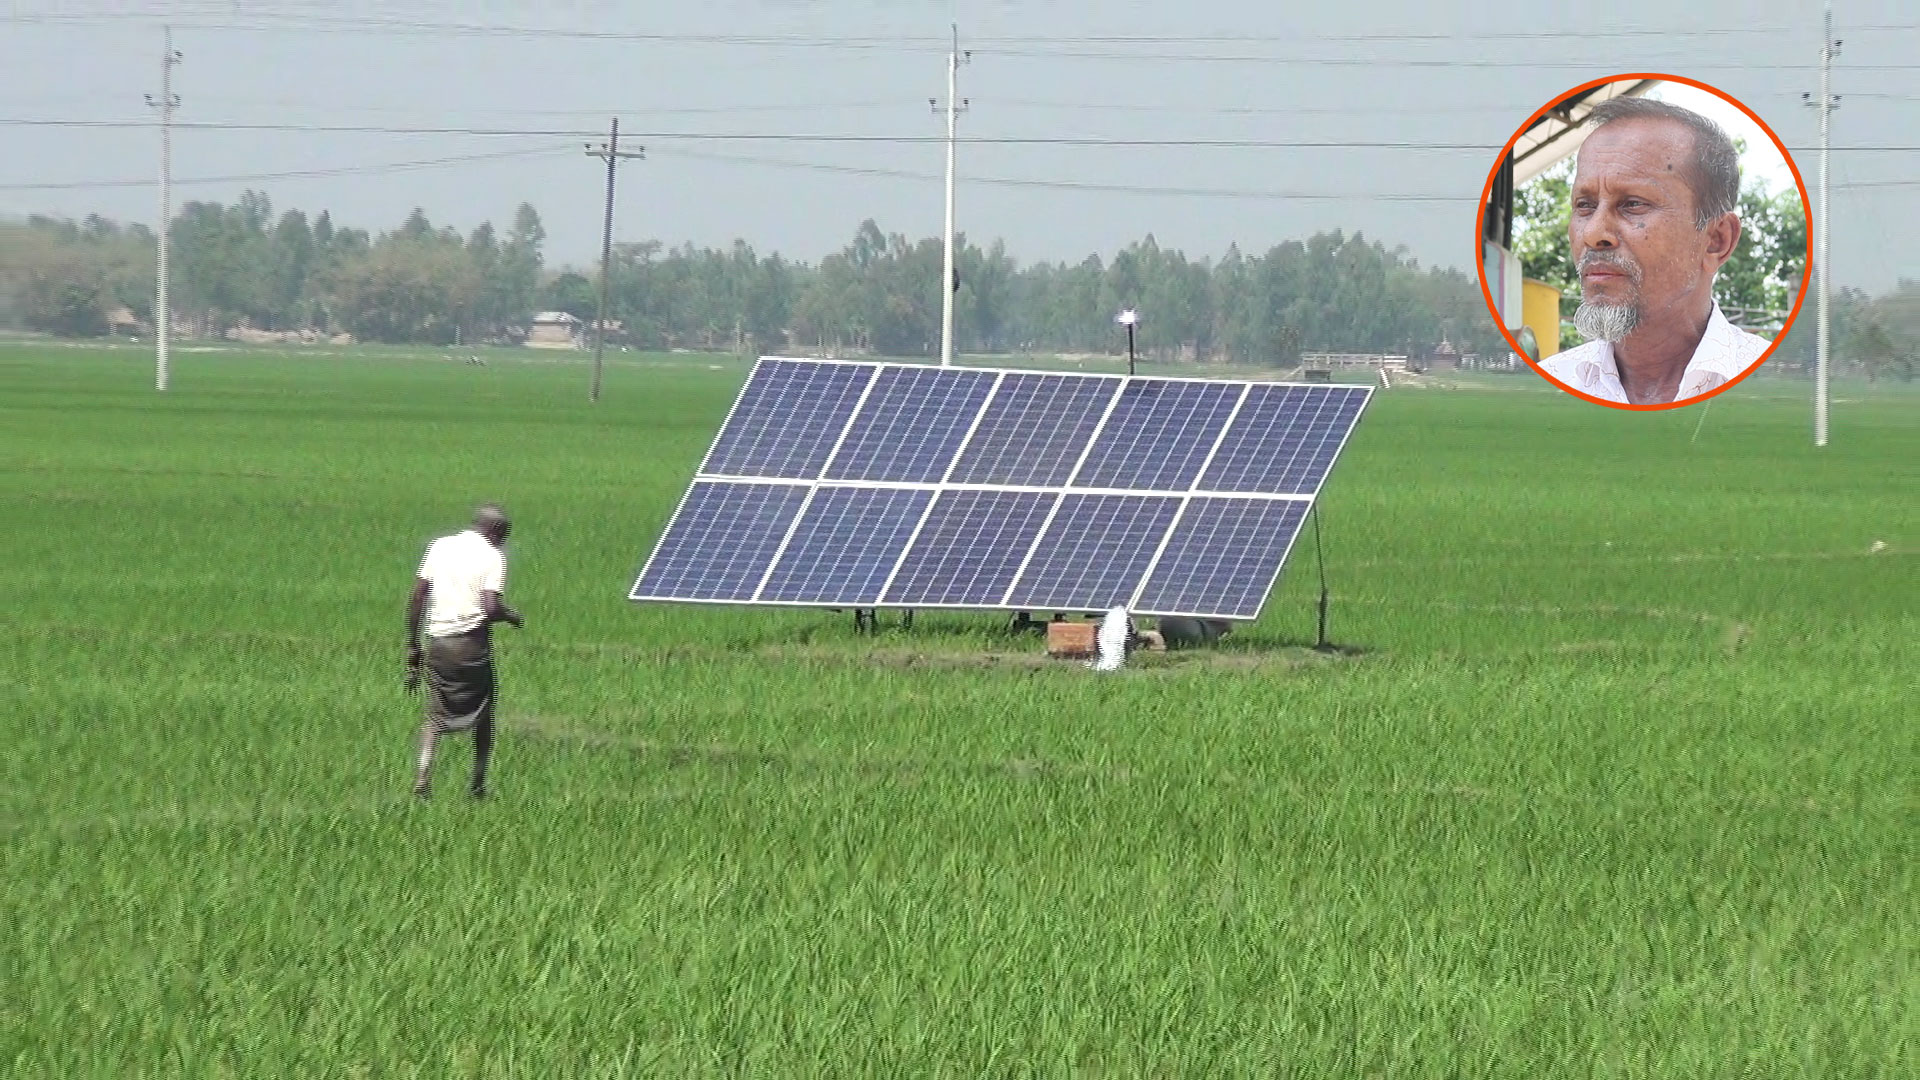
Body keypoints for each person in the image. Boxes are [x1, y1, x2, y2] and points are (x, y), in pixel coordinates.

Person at [1539, 96, 1772, 405]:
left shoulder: (1772, 387)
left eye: (1633, 204)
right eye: (1585, 205)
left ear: (1716, 240)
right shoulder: (1550, 385)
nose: (1594, 233)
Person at [406, 503, 523, 799]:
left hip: (438, 645)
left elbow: (418, 594)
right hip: (471, 647)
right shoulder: (492, 556)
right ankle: (478, 785)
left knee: (434, 717)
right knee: (483, 717)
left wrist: (413, 642)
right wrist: (511, 616)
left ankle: (423, 777)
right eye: (504, 537)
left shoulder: (440, 546)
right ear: (496, 531)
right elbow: (490, 608)